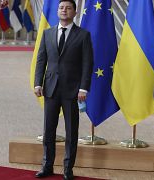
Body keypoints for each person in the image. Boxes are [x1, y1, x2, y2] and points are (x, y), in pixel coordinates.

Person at [34, 0, 93, 179]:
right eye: (61, 8)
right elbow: (41, 60)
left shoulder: (83, 35)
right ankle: (47, 166)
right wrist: (38, 83)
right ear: (57, 11)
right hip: (50, 89)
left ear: (75, 12)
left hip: (73, 90)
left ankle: (68, 168)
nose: (64, 10)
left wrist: (84, 88)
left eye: (68, 8)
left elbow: (87, 64)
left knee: (71, 132)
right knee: (48, 130)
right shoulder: (47, 33)